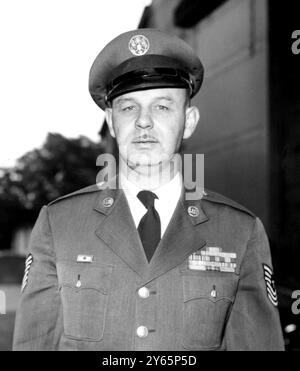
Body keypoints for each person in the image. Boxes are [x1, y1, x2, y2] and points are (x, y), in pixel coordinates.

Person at [13, 29, 284, 351]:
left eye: (162, 107)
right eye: (128, 107)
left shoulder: (240, 231)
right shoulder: (59, 224)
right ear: (111, 122)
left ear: (190, 120)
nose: (143, 121)